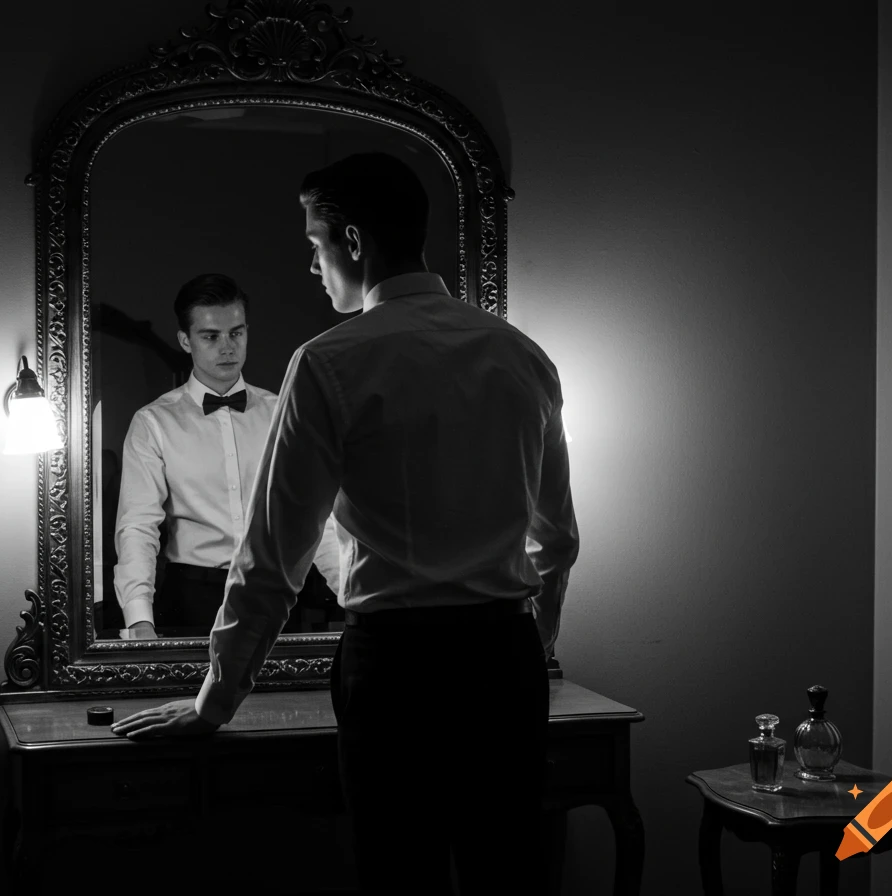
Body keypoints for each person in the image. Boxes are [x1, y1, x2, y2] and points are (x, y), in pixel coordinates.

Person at [112, 154, 578, 896]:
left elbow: (271, 560)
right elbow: (558, 541)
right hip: (505, 662)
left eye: (314, 244)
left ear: (353, 243)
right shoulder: (522, 356)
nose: (311, 265)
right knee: (510, 876)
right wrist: (535, 638)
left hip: (396, 672)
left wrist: (215, 701)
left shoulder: (329, 364)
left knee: (401, 880)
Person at [111, 273, 341, 638]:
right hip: (190, 598)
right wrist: (139, 619)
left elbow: (317, 516)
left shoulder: (284, 412)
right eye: (211, 336)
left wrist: (353, 596)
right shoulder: (153, 423)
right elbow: (138, 527)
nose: (227, 347)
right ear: (186, 341)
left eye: (236, 332)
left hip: (277, 593)